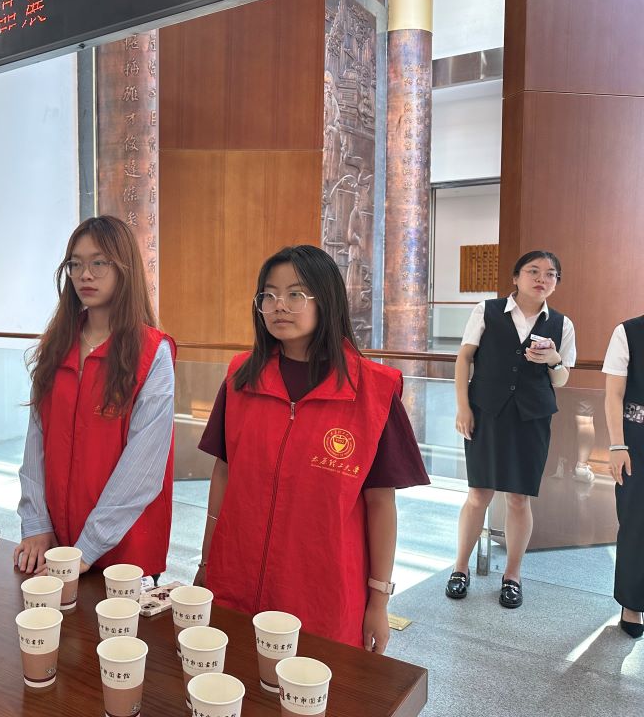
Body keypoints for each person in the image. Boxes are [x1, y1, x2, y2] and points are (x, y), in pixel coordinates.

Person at [194, 245, 428, 652]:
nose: (279, 306)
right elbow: (224, 473)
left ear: (327, 301)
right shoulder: (241, 377)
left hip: (323, 592)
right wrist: (206, 561)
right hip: (235, 576)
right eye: (268, 295)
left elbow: (380, 503)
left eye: (295, 294)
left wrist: (379, 601)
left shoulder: (373, 390)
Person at [13, 216, 175, 578]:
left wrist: (87, 548)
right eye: (75, 264)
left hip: (124, 552)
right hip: (57, 545)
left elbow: (143, 469)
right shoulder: (56, 346)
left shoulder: (152, 353)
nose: (85, 275)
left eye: (99, 263)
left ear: (124, 269)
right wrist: (36, 523)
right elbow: (36, 441)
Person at [448, 251, 576, 609]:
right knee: (479, 494)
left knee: (519, 498)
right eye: (533, 271)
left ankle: (513, 576)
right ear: (516, 277)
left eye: (550, 274)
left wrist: (554, 360)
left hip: (532, 418)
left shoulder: (562, 324)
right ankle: (460, 568)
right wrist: (462, 407)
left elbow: (562, 380)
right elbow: (464, 358)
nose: (542, 279)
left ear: (556, 283)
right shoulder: (487, 310)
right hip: (486, 412)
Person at [603, 317, 644, 638]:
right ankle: (632, 604)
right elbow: (614, 395)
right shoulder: (628, 332)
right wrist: (618, 445)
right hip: (637, 440)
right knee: (635, 523)